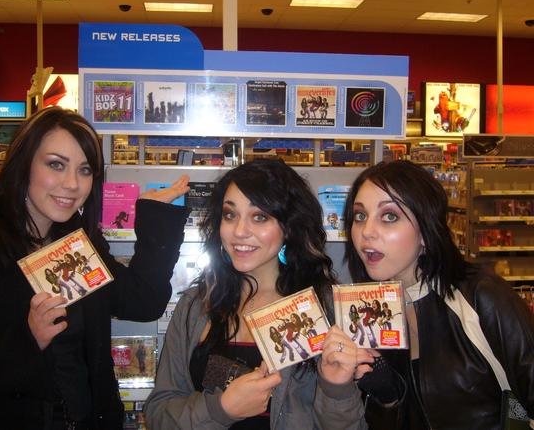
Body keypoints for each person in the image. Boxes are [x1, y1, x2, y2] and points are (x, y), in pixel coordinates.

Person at [0, 106, 190, 430]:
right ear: (23, 164)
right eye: (56, 164)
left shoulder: (76, 246)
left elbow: (143, 301)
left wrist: (155, 214)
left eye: (85, 170)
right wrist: (26, 340)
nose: (72, 184)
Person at [145, 158, 372, 430]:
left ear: (289, 226)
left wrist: (336, 389)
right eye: (230, 215)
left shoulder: (326, 308)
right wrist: (221, 409)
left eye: (260, 217)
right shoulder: (196, 306)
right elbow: (159, 414)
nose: (239, 232)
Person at [343, 159, 534, 429]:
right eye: (360, 216)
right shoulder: (368, 314)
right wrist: (387, 398)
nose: (366, 232)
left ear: (425, 230)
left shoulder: (480, 296)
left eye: (389, 216)